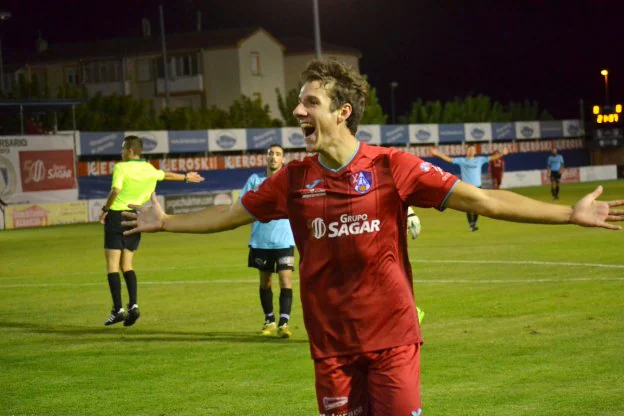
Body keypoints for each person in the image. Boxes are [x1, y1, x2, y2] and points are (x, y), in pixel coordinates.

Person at [121, 59, 623, 416]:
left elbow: (485, 201)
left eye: (309, 102)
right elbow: (229, 215)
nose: (298, 112)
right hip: (332, 348)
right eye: (299, 102)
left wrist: (567, 215)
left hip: (392, 343)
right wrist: (165, 222)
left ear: (342, 112)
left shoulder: (392, 167)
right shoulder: (293, 180)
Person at [100, 135, 204, 327]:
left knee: (113, 266)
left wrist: (105, 210)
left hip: (116, 216)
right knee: (128, 265)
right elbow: (166, 175)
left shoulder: (121, 167)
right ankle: (133, 305)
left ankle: (118, 309)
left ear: (130, 150)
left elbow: (115, 190)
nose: (121, 152)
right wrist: (186, 178)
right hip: (136, 218)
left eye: (123, 149)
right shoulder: (148, 168)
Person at [240, 144, 296, 338]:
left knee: (285, 280)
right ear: (266, 157)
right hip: (261, 241)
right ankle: (269, 320)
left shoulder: (289, 182)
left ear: (283, 160)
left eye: (278, 154)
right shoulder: (255, 180)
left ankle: (284, 323)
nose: (273, 157)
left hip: (284, 240)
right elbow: (242, 205)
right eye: (270, 154)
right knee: (265, 282)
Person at [431, 145, 508, 231]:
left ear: (475, 152)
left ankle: (473, 223)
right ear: (466, 152)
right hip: (466, 187)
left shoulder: (480, 160)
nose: (471, 151)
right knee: (467, 206)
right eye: (470, 150)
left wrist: (502, 153)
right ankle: (471, 224)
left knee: (477, 206)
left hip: (478, 187)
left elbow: (493, 158)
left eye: (473, 150)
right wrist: (438, 154)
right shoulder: (462, 161)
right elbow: (449, 159)